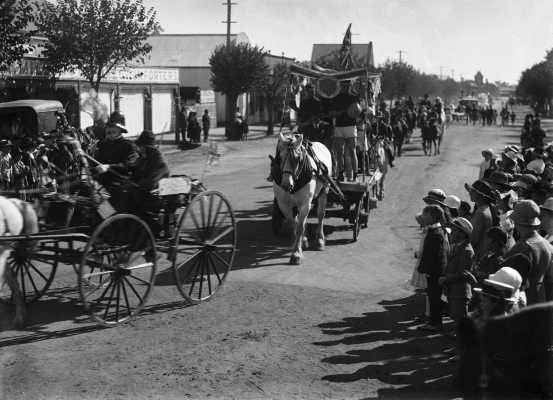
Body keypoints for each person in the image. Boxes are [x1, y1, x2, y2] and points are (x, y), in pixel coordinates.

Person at [505, 200, 553, 305]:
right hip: (542, 297)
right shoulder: (547, 244)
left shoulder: (523, 247)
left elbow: (510, 279)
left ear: (517, 222)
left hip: (523, 300)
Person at [439, 217, 475, 331]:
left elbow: (464, 274)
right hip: (453, 289)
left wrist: (446, 279)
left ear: (462, 233)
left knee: (461, 320)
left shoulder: (467, 250)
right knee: (455, 317)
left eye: (454, 231)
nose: (451, 233)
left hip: (460, 292)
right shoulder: (458, 246)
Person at [417, 205, 448, 332]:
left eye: (425, 214)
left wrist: (426, 269)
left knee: (434, 297)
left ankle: (435, 323)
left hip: (435, 271)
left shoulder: (436, 233)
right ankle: (433, 322)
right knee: (433, 297)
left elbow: (433, 255)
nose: (423, 217)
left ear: (432, 216)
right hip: (434, 271)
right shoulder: (436, 231)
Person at [94, 122, 139, 190]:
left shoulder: (129, 145)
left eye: (114, 132)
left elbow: (129, 165)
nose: (111, 134)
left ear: (120, 132)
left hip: (121, 182)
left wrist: (109, 166)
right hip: (102, 182)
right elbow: (95, 162)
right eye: (108, 132)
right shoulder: (102, 145)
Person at [331, 81, 360, 181]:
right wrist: (340, 112)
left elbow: (358, 111)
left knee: (352, 151)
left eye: (347, 85)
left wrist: (355, 113)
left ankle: (355, 174)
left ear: (350, 86)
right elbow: (332, 113)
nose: (345, 87)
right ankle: (340, 174)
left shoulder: (354, 97)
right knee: (339, 152)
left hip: (351, 126)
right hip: (339, 127)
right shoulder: (336, 98)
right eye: (344, 85)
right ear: (341, 86)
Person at [465, 179, 498, 259]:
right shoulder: (484, 208)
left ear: (480, 195)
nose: (470, 193)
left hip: (476, 255)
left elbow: (472, 240)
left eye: (473, 191)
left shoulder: (481, 213)